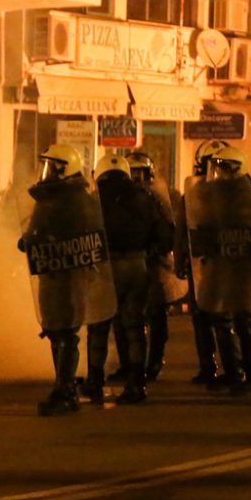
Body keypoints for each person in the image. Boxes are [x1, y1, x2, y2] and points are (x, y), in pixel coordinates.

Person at [19, 144, 114, 416]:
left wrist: (46, 240)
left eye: (52, 166)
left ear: (65, 169)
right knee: (55, 330)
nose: (46, 172)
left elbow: (84, 236)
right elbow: (37, 231)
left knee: (66, 331)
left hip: (70, 276)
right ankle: (64, 385)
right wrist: (29, 240)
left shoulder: (77, 201)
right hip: (52, 274)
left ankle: (66, 389)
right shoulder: (49, 199)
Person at [82, 152, 171, 405]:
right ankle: (136, 384)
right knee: (134, 327)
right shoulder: (146, 198)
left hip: (103, 266)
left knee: (98, 326)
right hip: (136, 266)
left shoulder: (92, 200)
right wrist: (148, 251)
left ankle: (95, 381)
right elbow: (165, 236)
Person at [185, 145, 251, 396]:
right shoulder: (211, 195)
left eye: (222, 166)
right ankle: (233, 373)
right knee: (220, 319)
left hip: (242, 266)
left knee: (244, 321)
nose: (217, 171)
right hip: (220, 265)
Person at [174, 139, 228, 385]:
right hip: (201, 263)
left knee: (222, 319)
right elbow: (182, 231)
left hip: (225, 265)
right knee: (203, 319)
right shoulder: (192, 194)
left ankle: (232, 369)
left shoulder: (239, 192)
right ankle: (210, 367)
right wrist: (182, 258)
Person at [127, 150, 178, 382]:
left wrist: (156, 247)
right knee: (130, 316)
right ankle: (131, 363)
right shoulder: (123, 198)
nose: (136, 177)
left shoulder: (158, 197)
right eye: (132, 172)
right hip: (132, 261)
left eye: (140, 173)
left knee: (156, 315)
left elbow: (169, 230)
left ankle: (154, 362)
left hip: (154, 264)